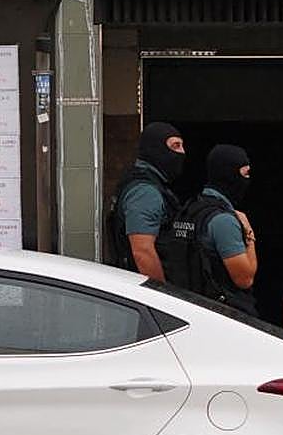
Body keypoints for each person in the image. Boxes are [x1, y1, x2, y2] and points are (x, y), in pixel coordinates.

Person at [108, 122, 186, 280]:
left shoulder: (143, 183)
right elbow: (143, 252)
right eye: (176, 146)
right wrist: (163, 296)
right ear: (156, 148)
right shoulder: (145, 192)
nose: (182, 152)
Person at [189, 144, 259, 315]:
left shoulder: (191, 209)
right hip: (222, 315)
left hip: (193, 307)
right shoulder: (224, 221)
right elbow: (245, 278)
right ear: (229, 175)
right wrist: (249, 234)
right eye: (245, 173)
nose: (248, 179)